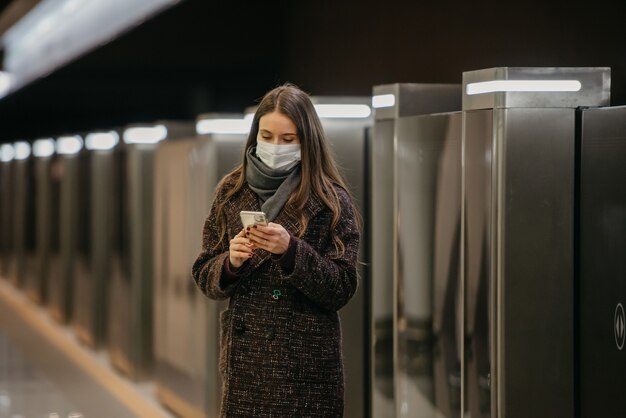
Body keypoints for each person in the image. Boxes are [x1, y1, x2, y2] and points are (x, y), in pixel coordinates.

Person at [191, 83, 360, 417]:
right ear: (255, 136)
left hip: (305, 372)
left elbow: (342, 287)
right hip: (247, 368)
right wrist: (230, 262)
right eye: (266, 136)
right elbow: (203, 272)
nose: (274, 146)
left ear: (306, 141)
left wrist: (292, 251)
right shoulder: (231, 190)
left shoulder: (331, 199)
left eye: (287, 139)